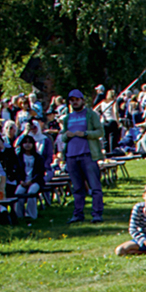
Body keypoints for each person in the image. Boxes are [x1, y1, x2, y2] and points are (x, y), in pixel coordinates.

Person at [59, 89, 104, 223]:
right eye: (72, 100)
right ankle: (78, 214)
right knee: (77, 188)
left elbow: (100, 132)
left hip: (88, 154)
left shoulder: (91, 115)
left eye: (77, 100)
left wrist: (85, 134)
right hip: (71, 156)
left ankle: (97, 213)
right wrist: (65, 136)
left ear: (82, 100)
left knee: (94, 186)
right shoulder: (67, 118)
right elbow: (62, 136)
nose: (74, 102)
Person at [117, 182, 146, 256]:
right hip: (143, 238)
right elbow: (132, 229)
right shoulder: (138, 208)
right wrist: (145, 242)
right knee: (120, 250)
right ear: (144, 196)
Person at [7, 132, 45, 221]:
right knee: (19, 193)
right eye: (25, 143)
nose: (27, 145)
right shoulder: (19, 157)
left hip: (35, 181)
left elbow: (40, 172)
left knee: (31, 192)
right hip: (23, 181)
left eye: (29, 143)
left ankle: (32, 215)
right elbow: (17, 171)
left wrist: (31, 181)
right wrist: (21, 181)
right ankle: (19, 215)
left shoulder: (38, 158)